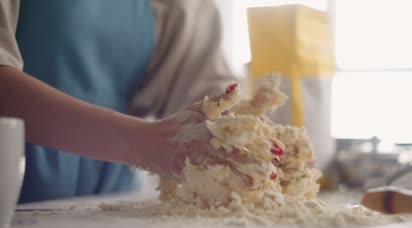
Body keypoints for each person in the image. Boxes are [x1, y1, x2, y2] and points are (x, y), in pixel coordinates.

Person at [0, 0, 255, 203]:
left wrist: (242, 132)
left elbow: (206, 92)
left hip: (106, 206)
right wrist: (141, 142)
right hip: (10, 192)